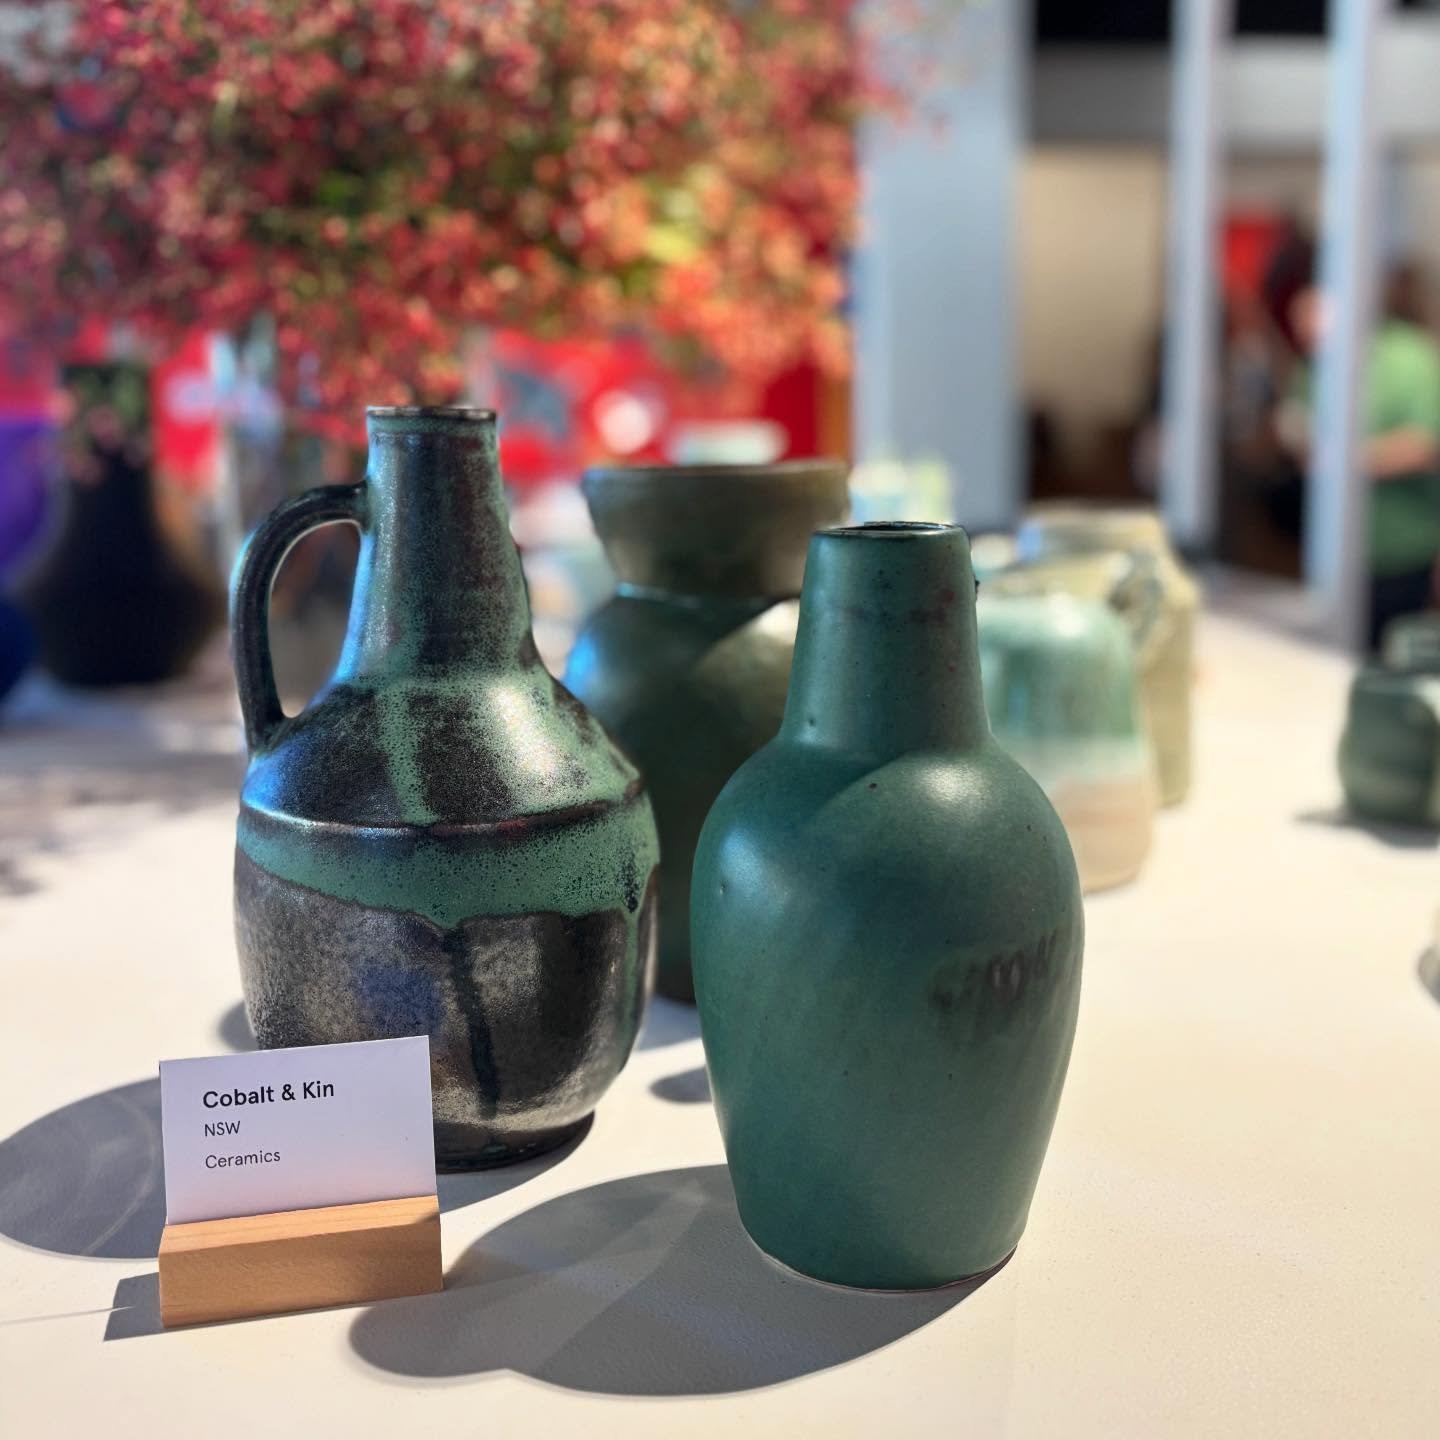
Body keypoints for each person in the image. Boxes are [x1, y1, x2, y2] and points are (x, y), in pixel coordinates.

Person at [1266, 235, 1440, 650]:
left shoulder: (1409, 356)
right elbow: (1301, 435)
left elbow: (1423, 444)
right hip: (1330, 552)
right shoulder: (1315, 367)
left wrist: (1343, 460)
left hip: (1401, 552)